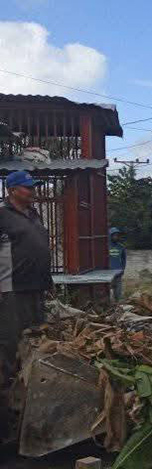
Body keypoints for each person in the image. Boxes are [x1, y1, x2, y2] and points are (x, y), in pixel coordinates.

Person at [0, 171, 51, 437]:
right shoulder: (3, 216)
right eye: (27, 188)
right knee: (9, 348)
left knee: (36, 345)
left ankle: (29, 405)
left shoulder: (34, 216)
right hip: (11, 292)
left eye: (33, 187)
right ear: (12, 190)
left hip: (36, 290)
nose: (32, 191)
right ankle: (5, 415)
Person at [108, 227, 127, 301]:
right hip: (107, 274)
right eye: (114, 235)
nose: (116, 237)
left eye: (117, 235)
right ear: (110, 236)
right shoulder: (105, 246)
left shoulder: (121, 247)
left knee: (118, 293)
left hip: (118, 273)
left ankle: (118, 307)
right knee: (108, 294)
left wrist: (122, 269)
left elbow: (124, 259)